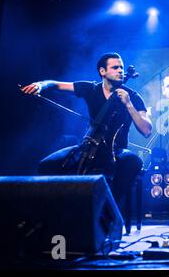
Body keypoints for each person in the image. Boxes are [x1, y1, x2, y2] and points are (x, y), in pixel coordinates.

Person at [21, 52, 152, 220]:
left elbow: (146, 130)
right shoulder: (90, 89)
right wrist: (40, 85)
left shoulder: (132, 96)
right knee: (47, 165)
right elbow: (55, 84)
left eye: (121, 67)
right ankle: (57, 215)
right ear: (102, 71)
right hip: (88, 146)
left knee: (133, 161)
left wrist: (128, 105)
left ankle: (107, 216)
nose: (120, 70)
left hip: (116, 150)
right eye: (115, 67)